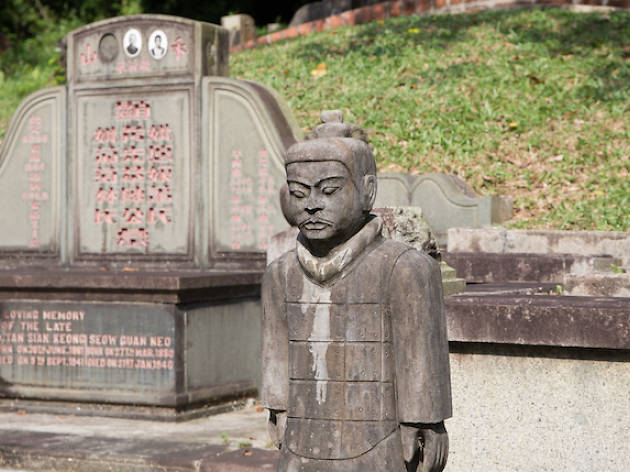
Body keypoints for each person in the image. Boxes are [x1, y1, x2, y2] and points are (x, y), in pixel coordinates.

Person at [262, 110, 452, 471]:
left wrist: (424, 420)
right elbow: (275, 347)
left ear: (367, 190)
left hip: (379, 438)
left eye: (329, 190)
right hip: (304, 437)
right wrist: (277, 404)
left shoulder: (405, 268)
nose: (312, 205)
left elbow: (419, 353)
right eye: (300, 194)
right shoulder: (280, 273)